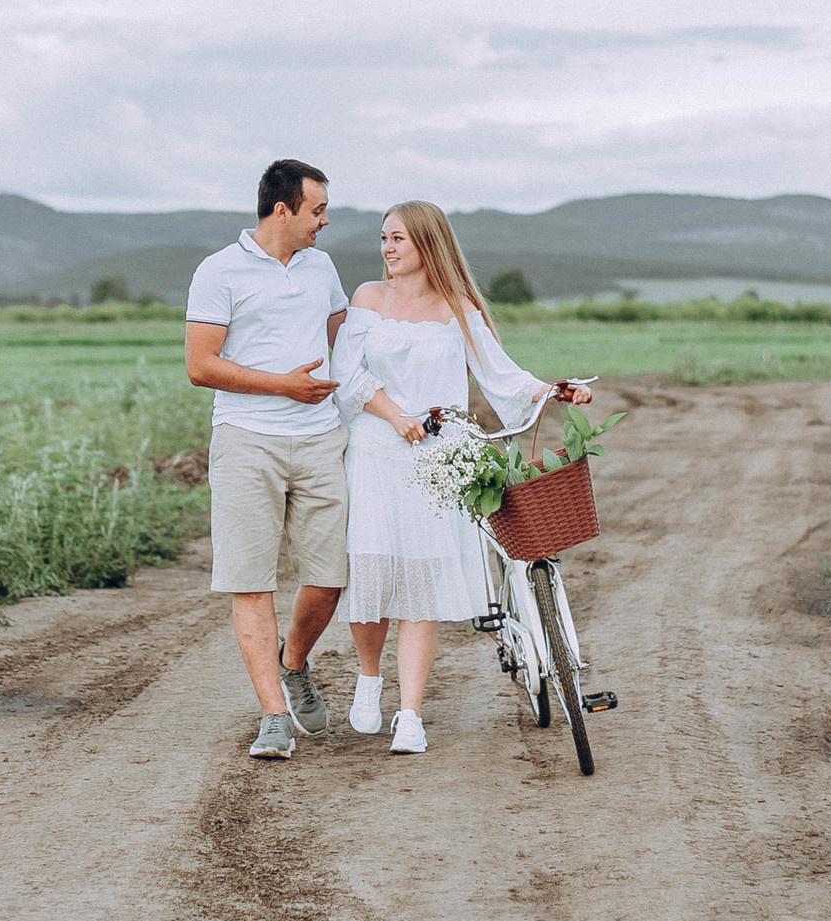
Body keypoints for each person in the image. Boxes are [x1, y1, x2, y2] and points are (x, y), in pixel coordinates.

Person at [329, 201, 588, 754]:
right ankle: (370, 677)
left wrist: (553, 390)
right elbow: (346, 373)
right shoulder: (368, 300)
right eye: (383, 238)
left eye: (398, 238)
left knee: (418, 584)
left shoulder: (457, 307)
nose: (387, 248)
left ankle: (411, 715)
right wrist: (394, 415)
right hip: (377, 450)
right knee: (373, 571)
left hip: (439, 458)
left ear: (427, 243)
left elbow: (501, 374)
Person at [184, 159, 352, 761]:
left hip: (320, 438)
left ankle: (294, 661)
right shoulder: (218, 271)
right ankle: (273, 717)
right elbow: (201, 366)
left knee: (330, 577)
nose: (325, 221)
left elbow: (347, 338)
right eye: (317, 210)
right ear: (283, 210)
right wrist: (283, 385)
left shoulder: (321, 267)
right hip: (246, 440)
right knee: (250, 581)